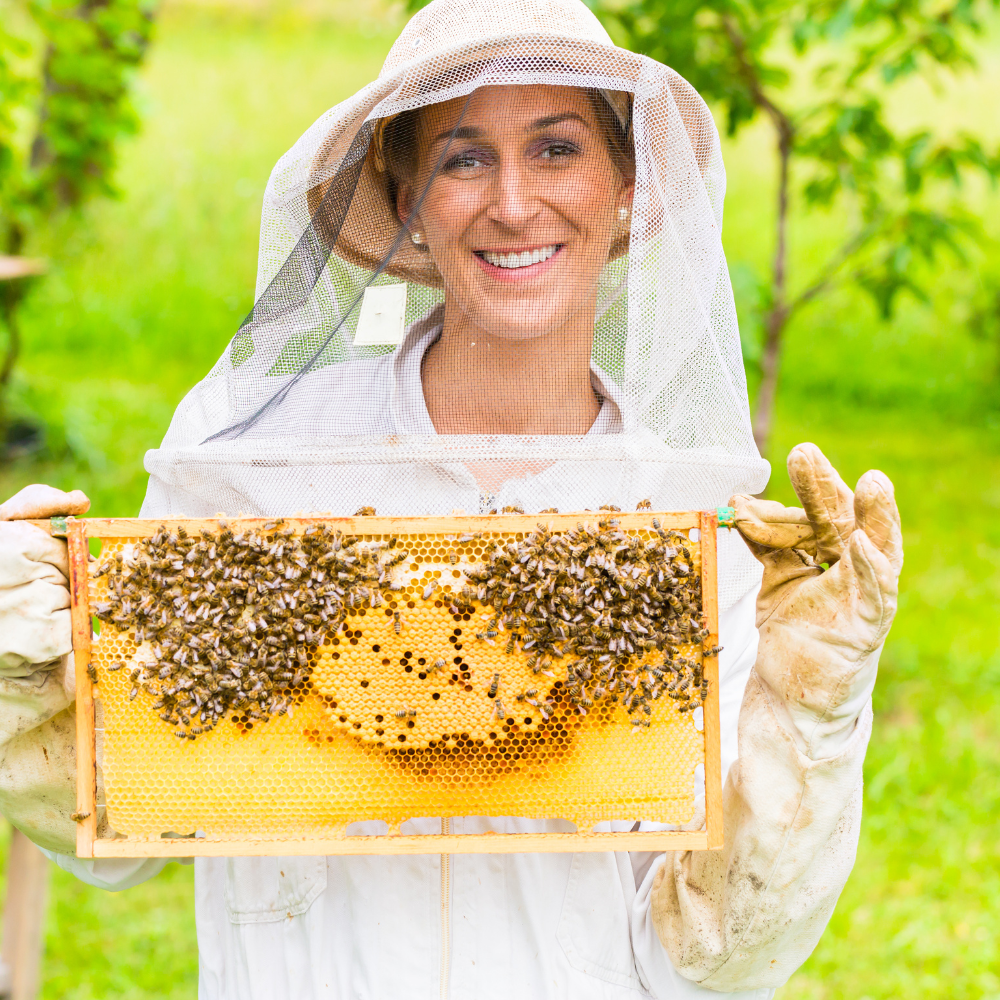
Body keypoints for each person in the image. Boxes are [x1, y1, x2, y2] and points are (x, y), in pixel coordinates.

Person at [0, 0, 903, 996]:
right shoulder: (255, 464)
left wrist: (809, 711)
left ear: (627, 189)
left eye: (555, 149)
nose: (512, 202)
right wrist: (32, 686)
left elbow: (713, 954)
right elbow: (120, 839)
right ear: (409, 202)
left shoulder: (692, 529)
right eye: (464, 159)